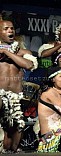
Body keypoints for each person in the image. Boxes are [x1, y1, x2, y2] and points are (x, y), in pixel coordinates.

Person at [0, 20, 38, 153]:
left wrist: (8, 53)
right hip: (0, 96)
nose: (10, 30)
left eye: (12, 28)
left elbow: (29, 65)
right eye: (6, 29)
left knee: (12, 143)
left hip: (16, 98)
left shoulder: (22, 52)